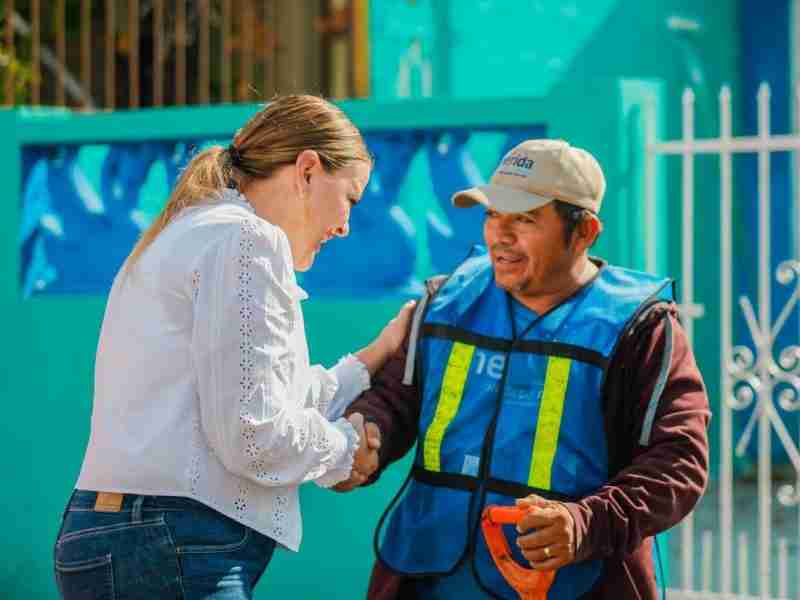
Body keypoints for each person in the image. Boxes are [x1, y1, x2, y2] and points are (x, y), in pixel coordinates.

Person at [53, 94, 414, 600]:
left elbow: (268, 398)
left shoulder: (198, 230)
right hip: (170, 542)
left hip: (129, 535)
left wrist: (377, 353)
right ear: (307, 170)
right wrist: (346, 448)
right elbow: (253, 433)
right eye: (350, 197)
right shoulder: (246, 241)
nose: (345, 226)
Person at [342, 139, 711, 599]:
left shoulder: (641, 328)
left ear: (584, 232)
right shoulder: (446, 300)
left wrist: (585, 523)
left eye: (525, 219)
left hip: (575, 585)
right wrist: (369, 437)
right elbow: (395, 398)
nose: (500, 235)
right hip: (426, 577)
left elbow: (679, 461)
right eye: (493, 214)